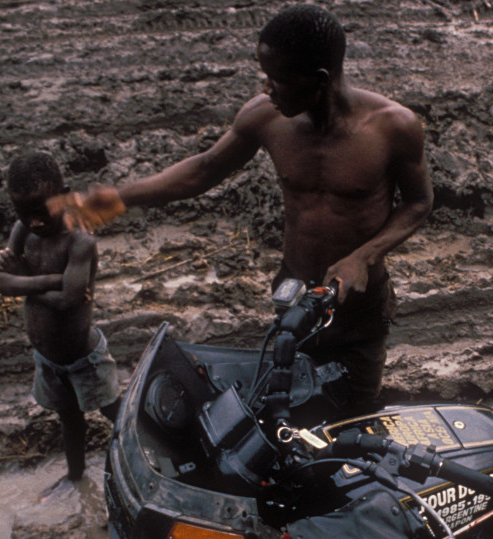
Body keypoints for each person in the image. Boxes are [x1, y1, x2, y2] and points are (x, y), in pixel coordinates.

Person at [54, 3, 432, 410]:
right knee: (288, 409)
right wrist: (123, 196)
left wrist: (364, 256)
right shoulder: (266, 117)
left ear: (319, 80)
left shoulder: (393, 128)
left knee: (358, 411)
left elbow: (419, 202)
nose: (266, 88)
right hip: (293, 295)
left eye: (278, 79)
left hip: (359, 308)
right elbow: (205, 169)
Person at [0, 151, 121, 496]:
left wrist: (24, 280)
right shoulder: (22, 231)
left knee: (117, 413)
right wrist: (47, 280)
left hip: (85, 358)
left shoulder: (80, 241)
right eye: (24, 213)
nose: (34, 222)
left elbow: (69, 301)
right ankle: (75, 477)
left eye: (42, 211)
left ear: (63, 194)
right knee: (68, 419)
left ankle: (149, 453)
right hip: (48, 360)